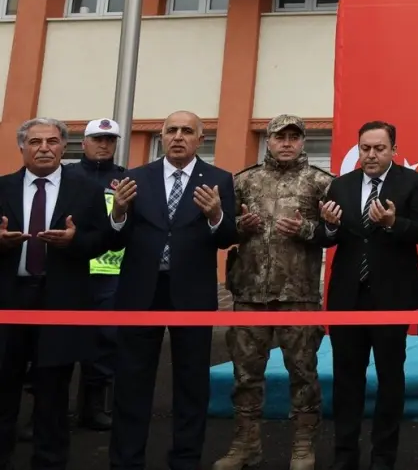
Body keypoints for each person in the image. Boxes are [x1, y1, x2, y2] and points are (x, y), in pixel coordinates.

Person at [107, 110, 238, 470]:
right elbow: (115, 238)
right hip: (140, 293)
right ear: (162, 137)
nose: (178, 136)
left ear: (201, 139)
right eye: (171, 130)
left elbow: (228, 238)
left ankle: (185, 460)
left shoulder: (218, 180)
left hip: (192, 294)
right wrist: (118, 212)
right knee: (132, 382)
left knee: (191, 385)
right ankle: (126, 461)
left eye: (187, 131)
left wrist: (216, 216)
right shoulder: (135, 178)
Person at [215, 115, 332, 470]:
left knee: (304, 373)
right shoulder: (244, 181)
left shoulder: (321, 182)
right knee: (245, 374)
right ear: (268, 140)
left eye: (294, 137)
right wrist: (241, 226)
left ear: (303, 142)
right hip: (250, 294)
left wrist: (306, 228)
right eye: (280, 137)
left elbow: (335, 231)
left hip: (299, 295)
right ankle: (246, 444)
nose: (287, 143)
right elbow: (222, 230)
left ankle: (303, 446)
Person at [0, 118, 112, 470]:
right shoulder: (2, 187)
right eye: (35, 142)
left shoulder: (87, 190)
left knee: (52, 390)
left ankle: (49, 461)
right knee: (3, 384)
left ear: (65, 147)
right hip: (9, 299)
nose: (44, 148)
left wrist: (74, 242)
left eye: (52, 141)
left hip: (60, 300)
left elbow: (103, 241)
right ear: (22, 147)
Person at [318, 120, 418, 470]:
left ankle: (383, 457)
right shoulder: (341, 185)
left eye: (379, 148)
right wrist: (329, 225)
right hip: (347, 297)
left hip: (391, 297)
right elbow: (326, 237)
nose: (371, 155)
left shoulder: (412, 183)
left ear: (393, 149)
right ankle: (345, 456)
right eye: (365, 148)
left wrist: (393, 223)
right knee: (346, 380)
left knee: (390, 380)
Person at [70, 117, 126, 432]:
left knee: (105, 340)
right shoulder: (66, 176)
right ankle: (44, 410)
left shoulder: (126, 179)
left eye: (110, 140)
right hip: (72, 270)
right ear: (84, 142)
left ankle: (93, 407)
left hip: (110, 273)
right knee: (58, 340)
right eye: (97, 139)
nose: (104, 145)